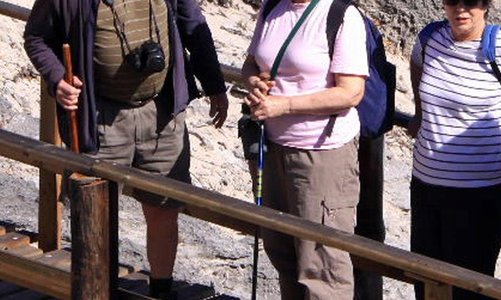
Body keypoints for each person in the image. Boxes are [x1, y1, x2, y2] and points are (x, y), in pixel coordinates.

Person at [24, 0, 228, 297]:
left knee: (164, 208)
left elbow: (193, 25)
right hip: (99, 117)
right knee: (94, 211)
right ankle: (97, 290)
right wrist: (57, 80)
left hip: (162, 113)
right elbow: (37, 38)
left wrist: (215, 85)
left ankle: (161, 291)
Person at [407, 0, 501, 298]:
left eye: (470, 2)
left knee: (469, 288)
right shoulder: (430, 38)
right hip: (426, 183)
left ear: (485, 5)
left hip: (479, 190)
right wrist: (420, 113)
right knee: (425, 281)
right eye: (452, 1)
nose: (460, 9)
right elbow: (417, 64)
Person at [241, 0, 368, 298]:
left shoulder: (342, 16)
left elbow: (351, 93)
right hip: (273, 148)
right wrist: (255, 82)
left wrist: (284, 105)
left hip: (321, 154)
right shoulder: (272, 6)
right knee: (282, 251)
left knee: (322, 266)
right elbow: (251, 63)